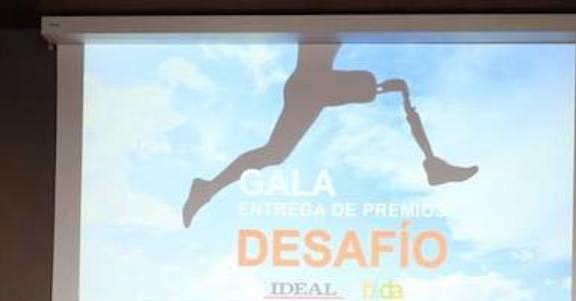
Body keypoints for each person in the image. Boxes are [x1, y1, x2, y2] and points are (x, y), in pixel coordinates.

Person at [182, 42, 477, 228]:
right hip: (312, 84)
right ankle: (433, 164)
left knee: (274, 153)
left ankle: (208, 188)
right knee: (274, 152)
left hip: (313, 87)